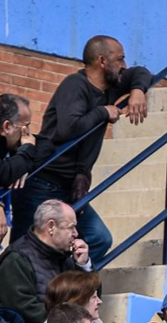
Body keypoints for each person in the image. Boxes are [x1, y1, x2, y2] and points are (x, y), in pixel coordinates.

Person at [20, 36, 151, 265]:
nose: (124, 65)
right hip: (42, 182)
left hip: (70, 187)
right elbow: (67, 129)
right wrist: (103, 112)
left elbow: (141, 72)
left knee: (99, 238)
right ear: (102, 61)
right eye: (119, 59)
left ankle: (62, 287)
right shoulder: (74, 85)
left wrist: (138, 90)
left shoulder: (112, 84)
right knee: (25, 248)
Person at [0, 201, 90, 323]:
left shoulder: (66, 257)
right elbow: (25, 310)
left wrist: (84, 266)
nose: (76, 233)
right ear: (51, 226)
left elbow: (93, 300)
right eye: (71, 227)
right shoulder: (16, 259)